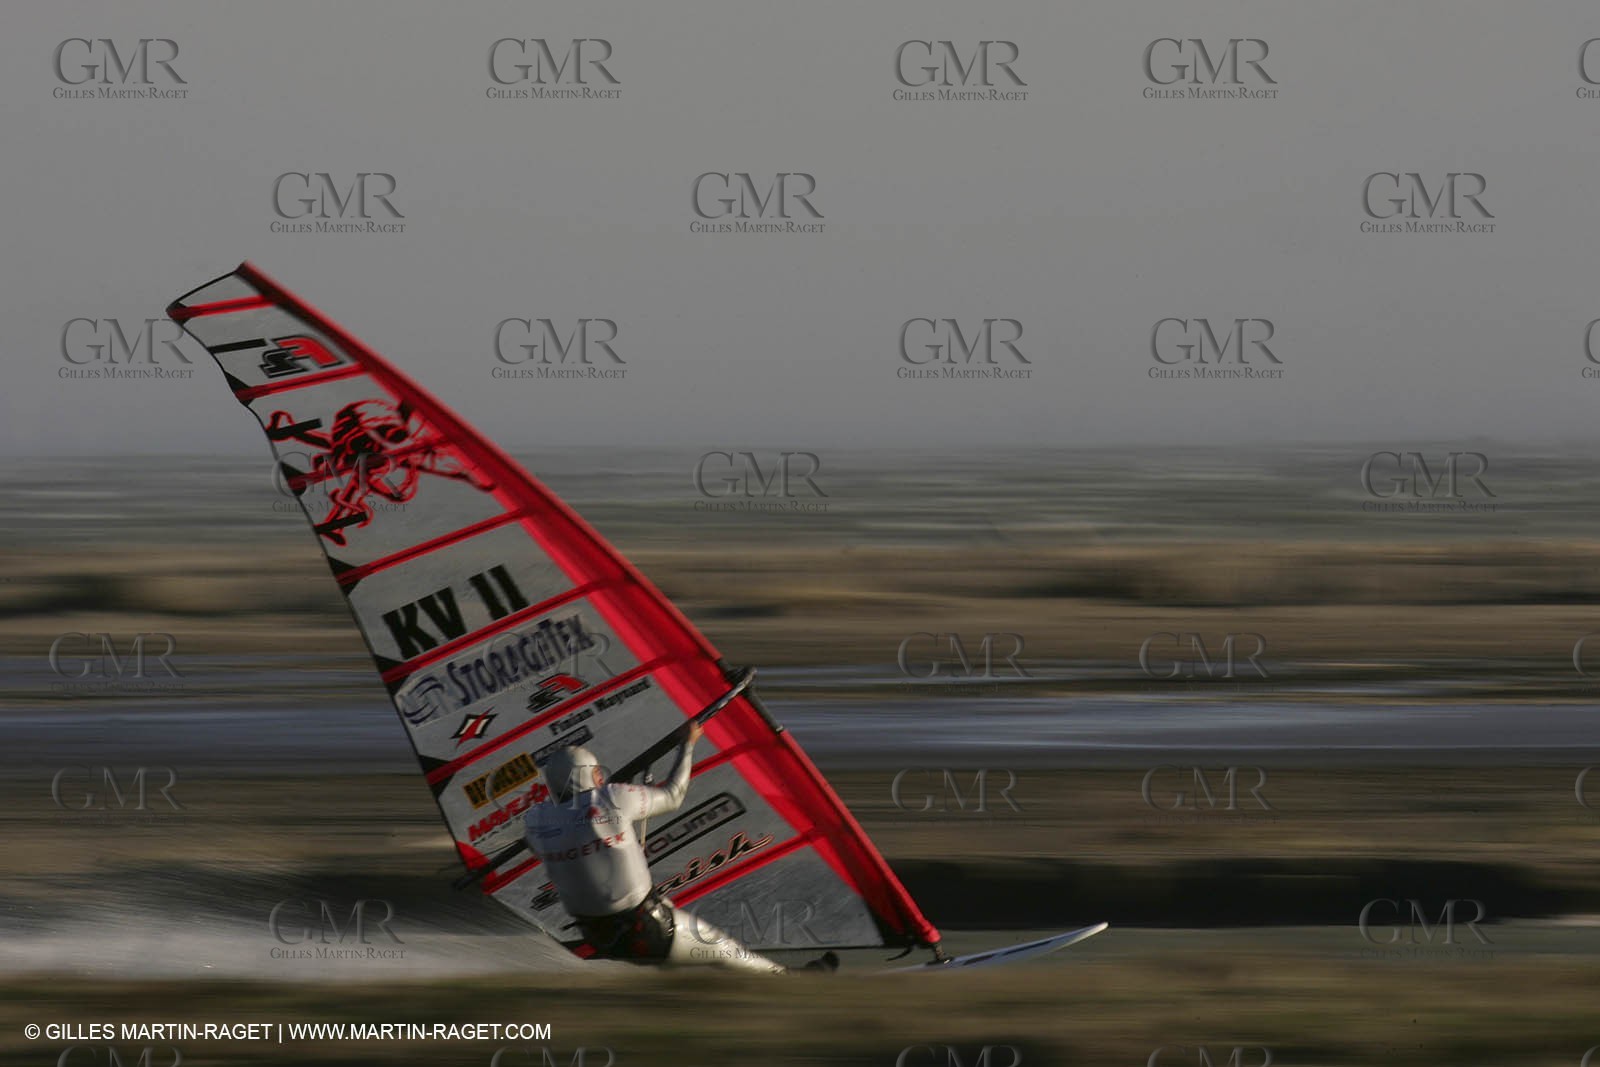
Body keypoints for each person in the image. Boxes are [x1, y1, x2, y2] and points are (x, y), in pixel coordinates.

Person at [525, 720, 838, 974]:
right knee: (723, 949)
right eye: (598, 773)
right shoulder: (611, 797)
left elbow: (566, 849)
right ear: (594, 775)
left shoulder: (536, 822)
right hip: (646, 931)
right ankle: (790, 980)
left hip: (597, 938)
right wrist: (687, 744)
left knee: (677, 946)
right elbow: (673, 796)